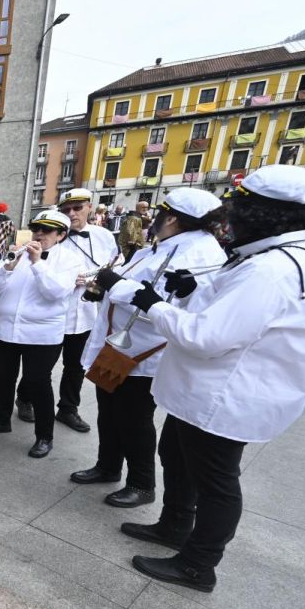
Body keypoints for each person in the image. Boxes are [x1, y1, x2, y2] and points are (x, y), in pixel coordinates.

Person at [112, 165, 305, 592]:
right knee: (175, 453)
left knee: (215, 481)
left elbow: (206, 336)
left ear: (267, 214)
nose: (231, 217)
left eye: (241, 207)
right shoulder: (272, 255)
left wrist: (153, 304)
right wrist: (192, 288)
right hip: (206, 390)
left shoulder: (271, 269)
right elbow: (227, 308)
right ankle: (173, 526)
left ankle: (198, 564)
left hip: (227, 394)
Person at [72, 188, 228, 509]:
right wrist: (105, 288)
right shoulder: (165, 246)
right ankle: (108, 465)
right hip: (117, 347)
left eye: (159, 213)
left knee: (134, 419)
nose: (152, 219)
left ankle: (142, 484)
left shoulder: (195, 254)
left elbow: (159, 302)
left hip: (145, 353)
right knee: (109, 410)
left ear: (171, 218)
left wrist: (115, 284)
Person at [0, 208, 83, 458]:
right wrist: (8, 266)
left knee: (38, 383)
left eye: (46, 230)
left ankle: (44, 436)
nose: (39, 233)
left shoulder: (68, 260)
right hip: (5, 330)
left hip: (41, 334)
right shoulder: (20, 255)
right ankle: (2, 420)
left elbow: (56, 292)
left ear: (61, 235)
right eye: (36, 228)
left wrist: (37, 264)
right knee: (3, 378)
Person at [14, 188, 117, 432]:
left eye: (77, 208)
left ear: (89, 207)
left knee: (77, 364)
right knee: (40, 366)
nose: (72, 213)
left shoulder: (104, 236)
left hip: (86, 311)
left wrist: (102, 281)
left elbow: (115, 264)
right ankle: (25, 397)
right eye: (66, 209)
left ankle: (68, 408)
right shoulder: (51, 234)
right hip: (53, 310)